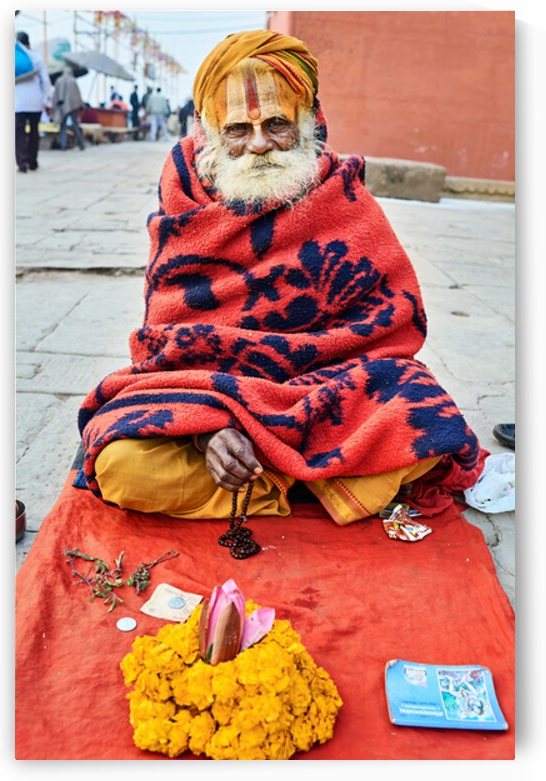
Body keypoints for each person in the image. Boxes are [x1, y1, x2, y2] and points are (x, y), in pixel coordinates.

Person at [76, 30, 486, 526]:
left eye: (276, 124)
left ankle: (271, 483)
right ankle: (316, 485)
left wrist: (293, 413)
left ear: (309, 121)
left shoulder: (341, 194)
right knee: (122, 467)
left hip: (325, 396)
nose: (259, 145)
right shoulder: (185, 194)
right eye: (237, 130)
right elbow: (169, 347)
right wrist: (206, 428)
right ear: (208, 130)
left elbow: (392, 326)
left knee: (425, 420)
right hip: (216, 394)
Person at [14, 31, 52, 172]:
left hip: (18, 102)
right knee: (34, 131)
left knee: (19, 133)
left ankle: (22, 163)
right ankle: (33, 161)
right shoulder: (36, 58)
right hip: (35, 102)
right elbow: (46, 82)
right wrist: (48, 101)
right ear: (28, 42)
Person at [52, 65, 85, 151]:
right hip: (73, 107)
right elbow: (77, 96)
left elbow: (55, 96)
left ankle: (63, 144)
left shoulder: (58, 81)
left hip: (62, 106)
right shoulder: (73, 81)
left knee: (63, 126)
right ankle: (81, 144)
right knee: (75, 125)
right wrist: (81, 105)